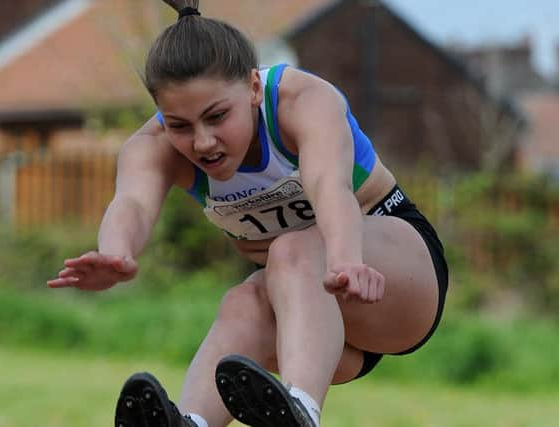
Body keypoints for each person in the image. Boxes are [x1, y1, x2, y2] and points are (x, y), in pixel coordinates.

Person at [47, 1, 449, 426]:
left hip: (390, 278)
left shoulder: (303, 102)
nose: (202, 142)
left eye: (217, 116)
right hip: (314, 331)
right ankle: (193, 422)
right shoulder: (155, 145)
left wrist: (347, 260)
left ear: (254, 87)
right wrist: (116, 253)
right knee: (241, 301)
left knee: (294, 249)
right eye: (179, 125)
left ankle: (301, 413)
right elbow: (131, 203)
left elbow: (329, 188)